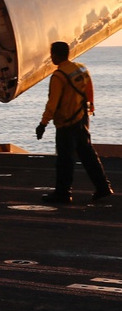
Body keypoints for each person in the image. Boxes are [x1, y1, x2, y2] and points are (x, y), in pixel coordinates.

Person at [36, 41, 113, 204]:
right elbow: (89, 89)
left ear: (55, 55)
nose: (51, 57)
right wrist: (90, 107)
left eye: (52, 54)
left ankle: (63, 193)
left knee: (65, 159)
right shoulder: (81, 68)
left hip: (66, 123)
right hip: (82, 118)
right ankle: (103, 187)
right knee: (88, 155)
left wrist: (43, 124)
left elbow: (52, 103)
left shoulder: (59, 76)